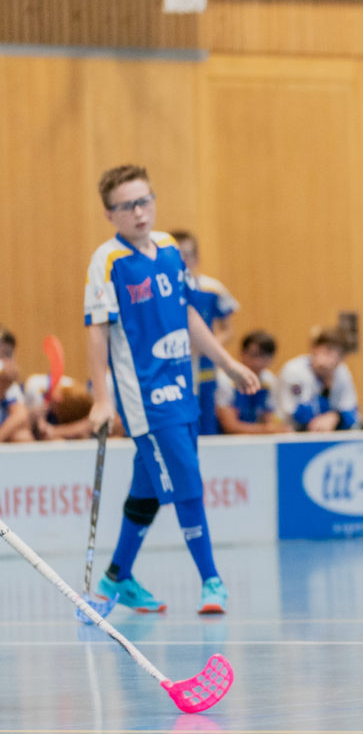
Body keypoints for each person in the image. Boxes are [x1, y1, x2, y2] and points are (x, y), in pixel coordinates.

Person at [85, 164, 260, 615]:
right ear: (110, 214)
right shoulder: (107, 261)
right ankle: (212, 582)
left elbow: (186, 314)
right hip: (145, 397)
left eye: (145, 201)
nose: (139, 213)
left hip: (182, 388)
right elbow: (97, 331)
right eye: (127, 206)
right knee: (186, 481)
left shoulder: (167, 248)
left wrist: (228, 364)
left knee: (148, 486)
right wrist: (102, 400)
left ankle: (115, 579)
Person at [171, 230, 239, 437]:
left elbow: (228, 330)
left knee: (207, 421)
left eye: (188, 254)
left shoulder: (212, 289)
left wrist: (208, 346)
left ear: (197, 257)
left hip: (205, 369)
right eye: (178, 255)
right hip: (174, 368)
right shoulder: (161, 292)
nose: (184, 260)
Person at [277, 326, 360, 432]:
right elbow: (297, 416)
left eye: (338, 354)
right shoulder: (294, 371)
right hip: (294, 435)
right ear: (314, 349)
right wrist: (325, 388)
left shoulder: (342, 371)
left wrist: (335, 417)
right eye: (328, 351)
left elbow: (353, 413)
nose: (332, 358)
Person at [215, 330, 289, 434]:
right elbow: (230, 426)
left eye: (264, 357)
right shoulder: (226, 381)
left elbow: (270, 419)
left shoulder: (269, 381)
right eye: (254, 355)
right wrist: (266, 430)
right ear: (242, 354)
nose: (258, 362)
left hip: (254, 439)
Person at [0, 325, 34, 443]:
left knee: (23, 437)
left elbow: (21, 416)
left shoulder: (10, 385)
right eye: (2, 354)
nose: (6, 361)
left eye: (9, 355)